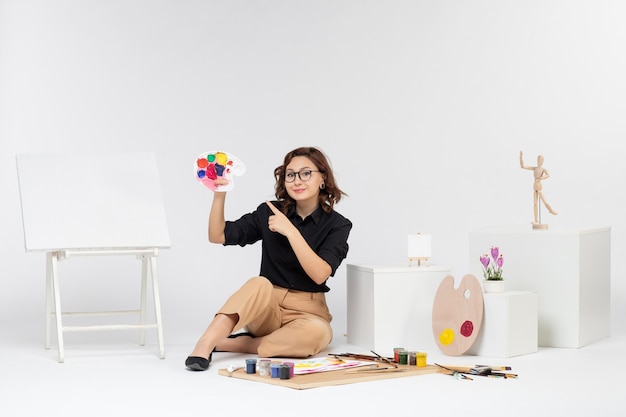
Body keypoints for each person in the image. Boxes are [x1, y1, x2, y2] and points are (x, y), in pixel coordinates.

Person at [185, 146, 352, 371]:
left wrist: (291, 231)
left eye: (305, 173)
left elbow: (320, 274)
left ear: (322, 178)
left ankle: (235, 343)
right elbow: (218, 235)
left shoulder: (338, 225)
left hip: (307, 312)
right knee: (258, 283)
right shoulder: (269, 211)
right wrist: (219, 194)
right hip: (266, 308)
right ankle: (205, 344)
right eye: (290, 174)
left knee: (318, 334)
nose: (297, 181)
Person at [519, 151, 557, 225]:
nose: (539, 161)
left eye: (541, 160)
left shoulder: (543, 169)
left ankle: (551, 210)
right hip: (535, 185)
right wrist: (521, 157)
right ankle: (536, 220)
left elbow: (548, 175)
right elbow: (523, 166)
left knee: (543, 200)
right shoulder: (535, 168)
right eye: (538, 160)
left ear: (543, 161)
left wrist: (542, 178)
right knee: (535, 204)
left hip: (539, 185)